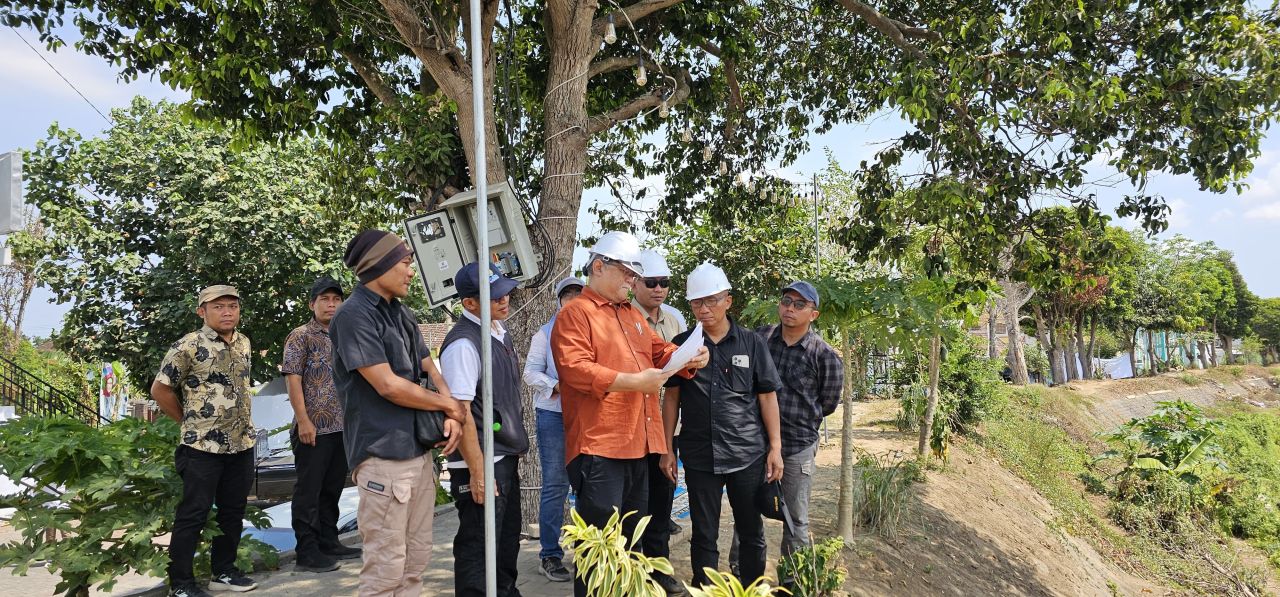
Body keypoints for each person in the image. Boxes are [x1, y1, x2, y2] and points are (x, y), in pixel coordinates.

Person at [550, 231, 709, 597]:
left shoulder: (632, 315)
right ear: (598, 266)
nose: (632, 282)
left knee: (630, 546)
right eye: (626, 273)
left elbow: (661, 352)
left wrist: (691, 357)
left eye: (635, 276)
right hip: (600, 446)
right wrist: (635, 382)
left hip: (639, 445)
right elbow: (575, 369)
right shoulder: (576, 313)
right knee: (598, 550)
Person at [329, 229, 470, 597]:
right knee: (385, 571)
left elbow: (430, 367)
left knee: (415, 563)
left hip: (418, 453)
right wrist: (448, 405)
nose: (411, 272)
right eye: (405, 263)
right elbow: (387, 385)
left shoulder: (401, 313)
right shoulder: (352, 316)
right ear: (380, 265)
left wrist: (452, 414)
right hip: (383, 457)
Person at [659, 263, 783, 589]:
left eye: (712, 300)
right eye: (697, 302)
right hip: (700, 456)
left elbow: (767, 397)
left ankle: (751, 589)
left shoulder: (752, 344)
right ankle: (705, 590)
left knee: (751, 530)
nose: (704, 308)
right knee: (704, 533)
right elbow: (671, 399)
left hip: (747, 455)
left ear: (728, 300)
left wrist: (775, 448)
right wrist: (666, 448)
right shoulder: (682, 345)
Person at [730, 281, 844, 585]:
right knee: (745, 512)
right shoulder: (760, 339)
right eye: (786, 301)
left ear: (813, 314)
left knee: (795, 518)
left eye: (799, 304)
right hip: (753, 443)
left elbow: (828, 403)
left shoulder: (824, 355)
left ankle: (792, 582)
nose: (790, 309)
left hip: (797, 447)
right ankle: (742, 575)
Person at [151, 285, 258, 597]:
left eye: (232, 306)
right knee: (193, 514)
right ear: (202, 311)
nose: (227, 312)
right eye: (218, 307)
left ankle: (223, 571)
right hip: (202, 447)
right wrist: (186, 422)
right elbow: (160, 390)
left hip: (241, 444)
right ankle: (181, 584)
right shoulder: (188, 345)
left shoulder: (244, 342)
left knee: (232, 511)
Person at [441, 262, 531, 597]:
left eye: (504, 292)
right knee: (478, 547)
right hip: (481, 462)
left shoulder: (497, 332)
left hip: (502, 457)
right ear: (469, 303)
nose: (504, 300)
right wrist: (478, 473)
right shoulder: (464, 344)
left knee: (506, 541)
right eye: (494, 297)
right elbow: (460, 412)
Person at [282, 276, 362, 574]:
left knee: (332, 489)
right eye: (324, 299)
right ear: (312, 304)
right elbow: (292, 379)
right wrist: (303, 420)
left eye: (336, 299)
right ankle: (306, 552)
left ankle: (329, 542)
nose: (331, 304)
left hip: (343, 427)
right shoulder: (300, 336)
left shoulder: (346, 333)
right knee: (309, 492)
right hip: (312, 428)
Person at [522, 276, 585, 583]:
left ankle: (587, 551)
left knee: (587, 483)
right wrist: (557, 386)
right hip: (554, 416)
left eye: (578, 294)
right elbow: (530, 373)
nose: (573, 300)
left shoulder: (593, 332)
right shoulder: (544, 334)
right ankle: (550, 554)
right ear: (559, 301)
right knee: (556, 485)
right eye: (567, 295)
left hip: (586, 416)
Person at [632, 250, 687, 595]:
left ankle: (658, 570)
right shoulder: (622, 319)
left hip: (667, 427)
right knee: (632, 505)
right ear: (634, 283)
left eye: (664, 283)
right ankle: (630, 573)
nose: (658, 289)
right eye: (651, 282)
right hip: (633, 425)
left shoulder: (675, 320)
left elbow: (680, 374)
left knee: (662, 501)